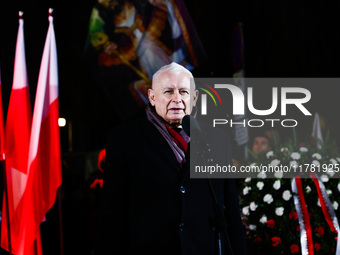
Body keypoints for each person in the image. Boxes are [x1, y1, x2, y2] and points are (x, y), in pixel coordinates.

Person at [95, 62, 247, 255]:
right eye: (168, 91)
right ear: (152, 96)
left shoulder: (218, 139)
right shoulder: (124, 138)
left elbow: (231, 213)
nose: (177, 99)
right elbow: (111, 215)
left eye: (183, 92)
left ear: (194, 97)